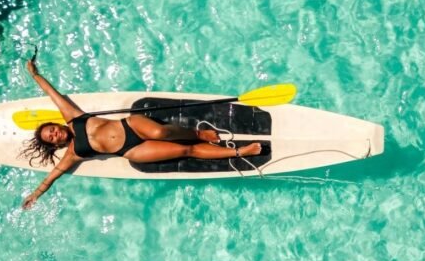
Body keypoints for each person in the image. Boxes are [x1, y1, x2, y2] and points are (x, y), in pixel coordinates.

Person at [21, 59, 261, 209]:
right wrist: (35, 195)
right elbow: (51, 177)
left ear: (56, 124)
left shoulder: (73, 117)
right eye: (51, 138)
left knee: (160, 130)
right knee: (184, 151)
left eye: (52, 130)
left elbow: (52, 94)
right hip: (131, 150)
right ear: (55, 145)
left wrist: (35, 75)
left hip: (131, 126)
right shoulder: (73, 153)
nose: (54, 134)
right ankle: (239, 152)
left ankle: (198, 134)